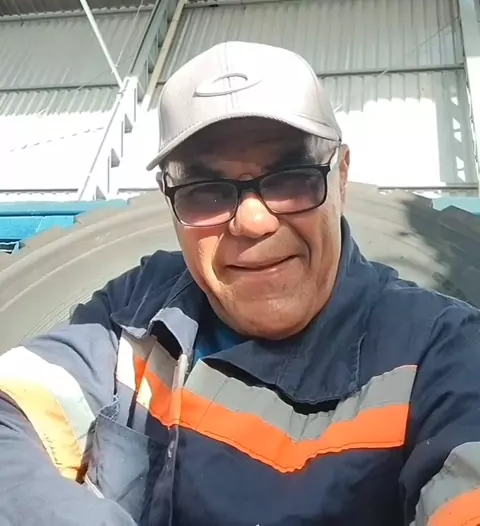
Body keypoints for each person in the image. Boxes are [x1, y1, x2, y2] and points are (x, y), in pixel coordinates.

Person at [0, 40, 480, 526]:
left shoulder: (441, 353)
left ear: (342, 177)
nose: (253, 222)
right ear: (170, 199)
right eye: (206, 191)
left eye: (292, 178)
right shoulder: (137, 310)